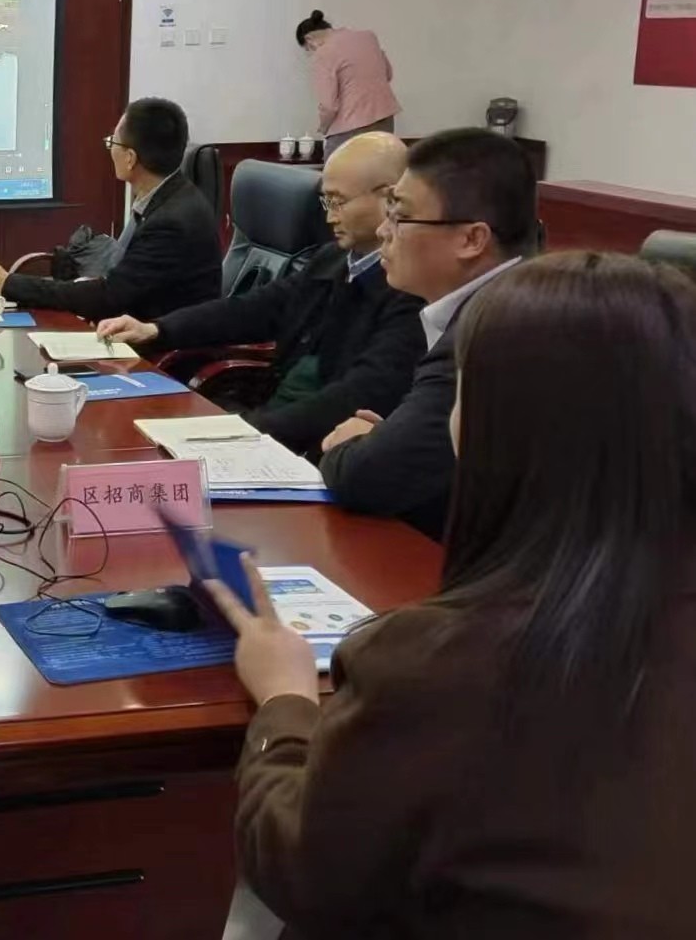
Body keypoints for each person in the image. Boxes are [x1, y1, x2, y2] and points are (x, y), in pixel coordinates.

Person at [206, 252, 696, 938]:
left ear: (500, 426)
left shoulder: (438, 664)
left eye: (458, 389)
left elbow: (300, 870)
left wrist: (283, 701)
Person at [95, 133, 422, 456]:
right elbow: (254, 308)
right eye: (326, 202)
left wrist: (246, 433)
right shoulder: (332, 260)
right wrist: (157, 329)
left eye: (338, 202)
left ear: (389, 199)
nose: (329, 216)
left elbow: (356, 395)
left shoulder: (412, 289)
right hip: (271, 426)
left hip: (321, 448)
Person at [318, 128, 537, 540]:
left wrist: (356, 445)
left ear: (471, 239)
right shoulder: (515, 298)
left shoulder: (493, 333)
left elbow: (367, 477)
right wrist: (386, 441)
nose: (383, 231)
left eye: (400, 216)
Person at [0, 97, 220, 322]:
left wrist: (7, 283)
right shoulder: (166, 198)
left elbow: (110, 297)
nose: (110, 149)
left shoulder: (171, 222)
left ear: (130, 158)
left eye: (113, 143)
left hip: (154, 350)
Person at [295, 10, 400, 156]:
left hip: (350, 128)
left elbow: (329, 106)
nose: (312, 52)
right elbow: (388, 74)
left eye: (309, 49)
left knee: (336, 169)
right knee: (380, 168)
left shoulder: (324, 53)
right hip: (384, 120)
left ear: (309, 39)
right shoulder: (368, 37)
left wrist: (323, 127)